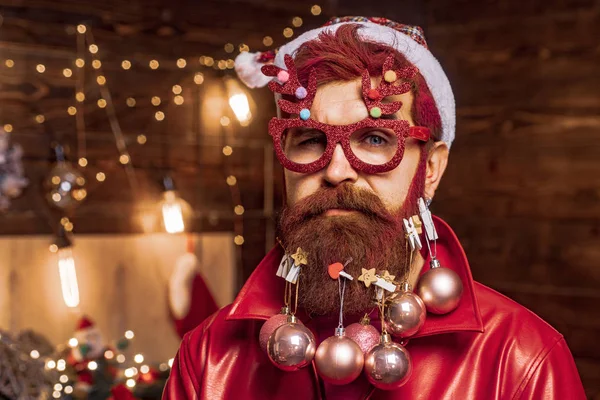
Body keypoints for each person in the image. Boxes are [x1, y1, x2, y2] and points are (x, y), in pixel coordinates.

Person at [163, 16, 586, 399]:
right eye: (310, 139)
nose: (336, 171)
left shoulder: (521, 362)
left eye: (376, 139)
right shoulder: (207, 357)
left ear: (432, 168)